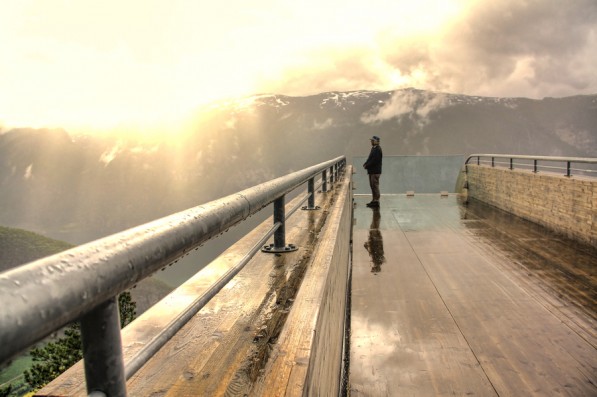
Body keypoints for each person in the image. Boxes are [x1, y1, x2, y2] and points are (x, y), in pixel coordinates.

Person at [363, 135, 382, 208]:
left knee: (375, 186)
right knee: (372, 186)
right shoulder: (373, 149)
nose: (371, 142)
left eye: (372, 141)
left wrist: (367, 165)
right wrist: (366, 163)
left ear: (376, 141)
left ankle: (376, 201)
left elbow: (374, 161)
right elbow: (370, 158)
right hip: (372, 171)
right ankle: (374, 200)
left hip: (375, 171)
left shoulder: (378, 149)